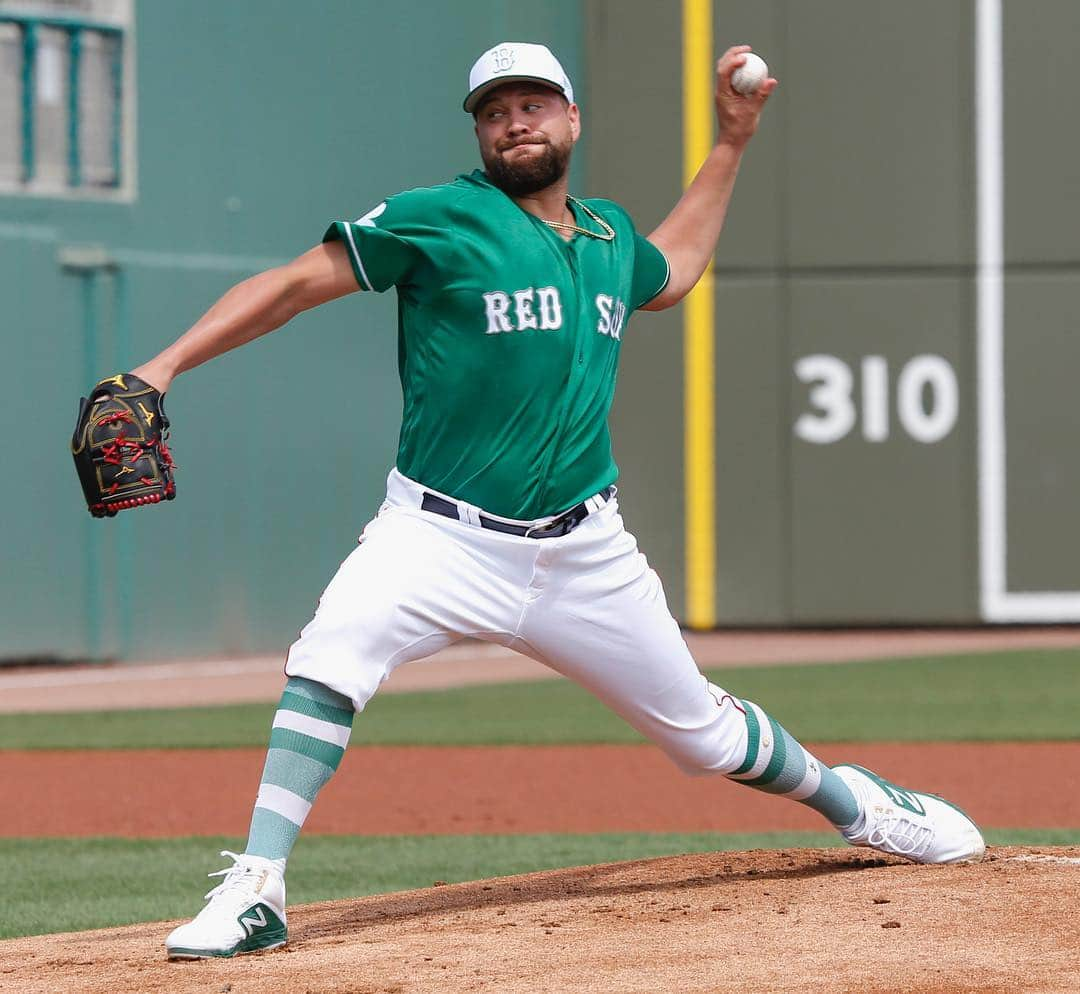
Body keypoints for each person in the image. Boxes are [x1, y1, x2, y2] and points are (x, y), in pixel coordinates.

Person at [143, 42, 984, 960]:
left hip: (586, 550)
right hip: (437, 534)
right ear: (478, 130)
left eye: (535, 103)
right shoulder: (437, 220)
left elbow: (677, 267)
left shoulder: (609, 237)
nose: (516, 121)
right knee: (330, 652)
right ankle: (258, 886)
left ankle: (860, 804)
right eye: (496, 109)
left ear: (571, 120)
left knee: (703, 736)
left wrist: (732, 143)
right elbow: (291, 287)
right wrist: (163, 366)